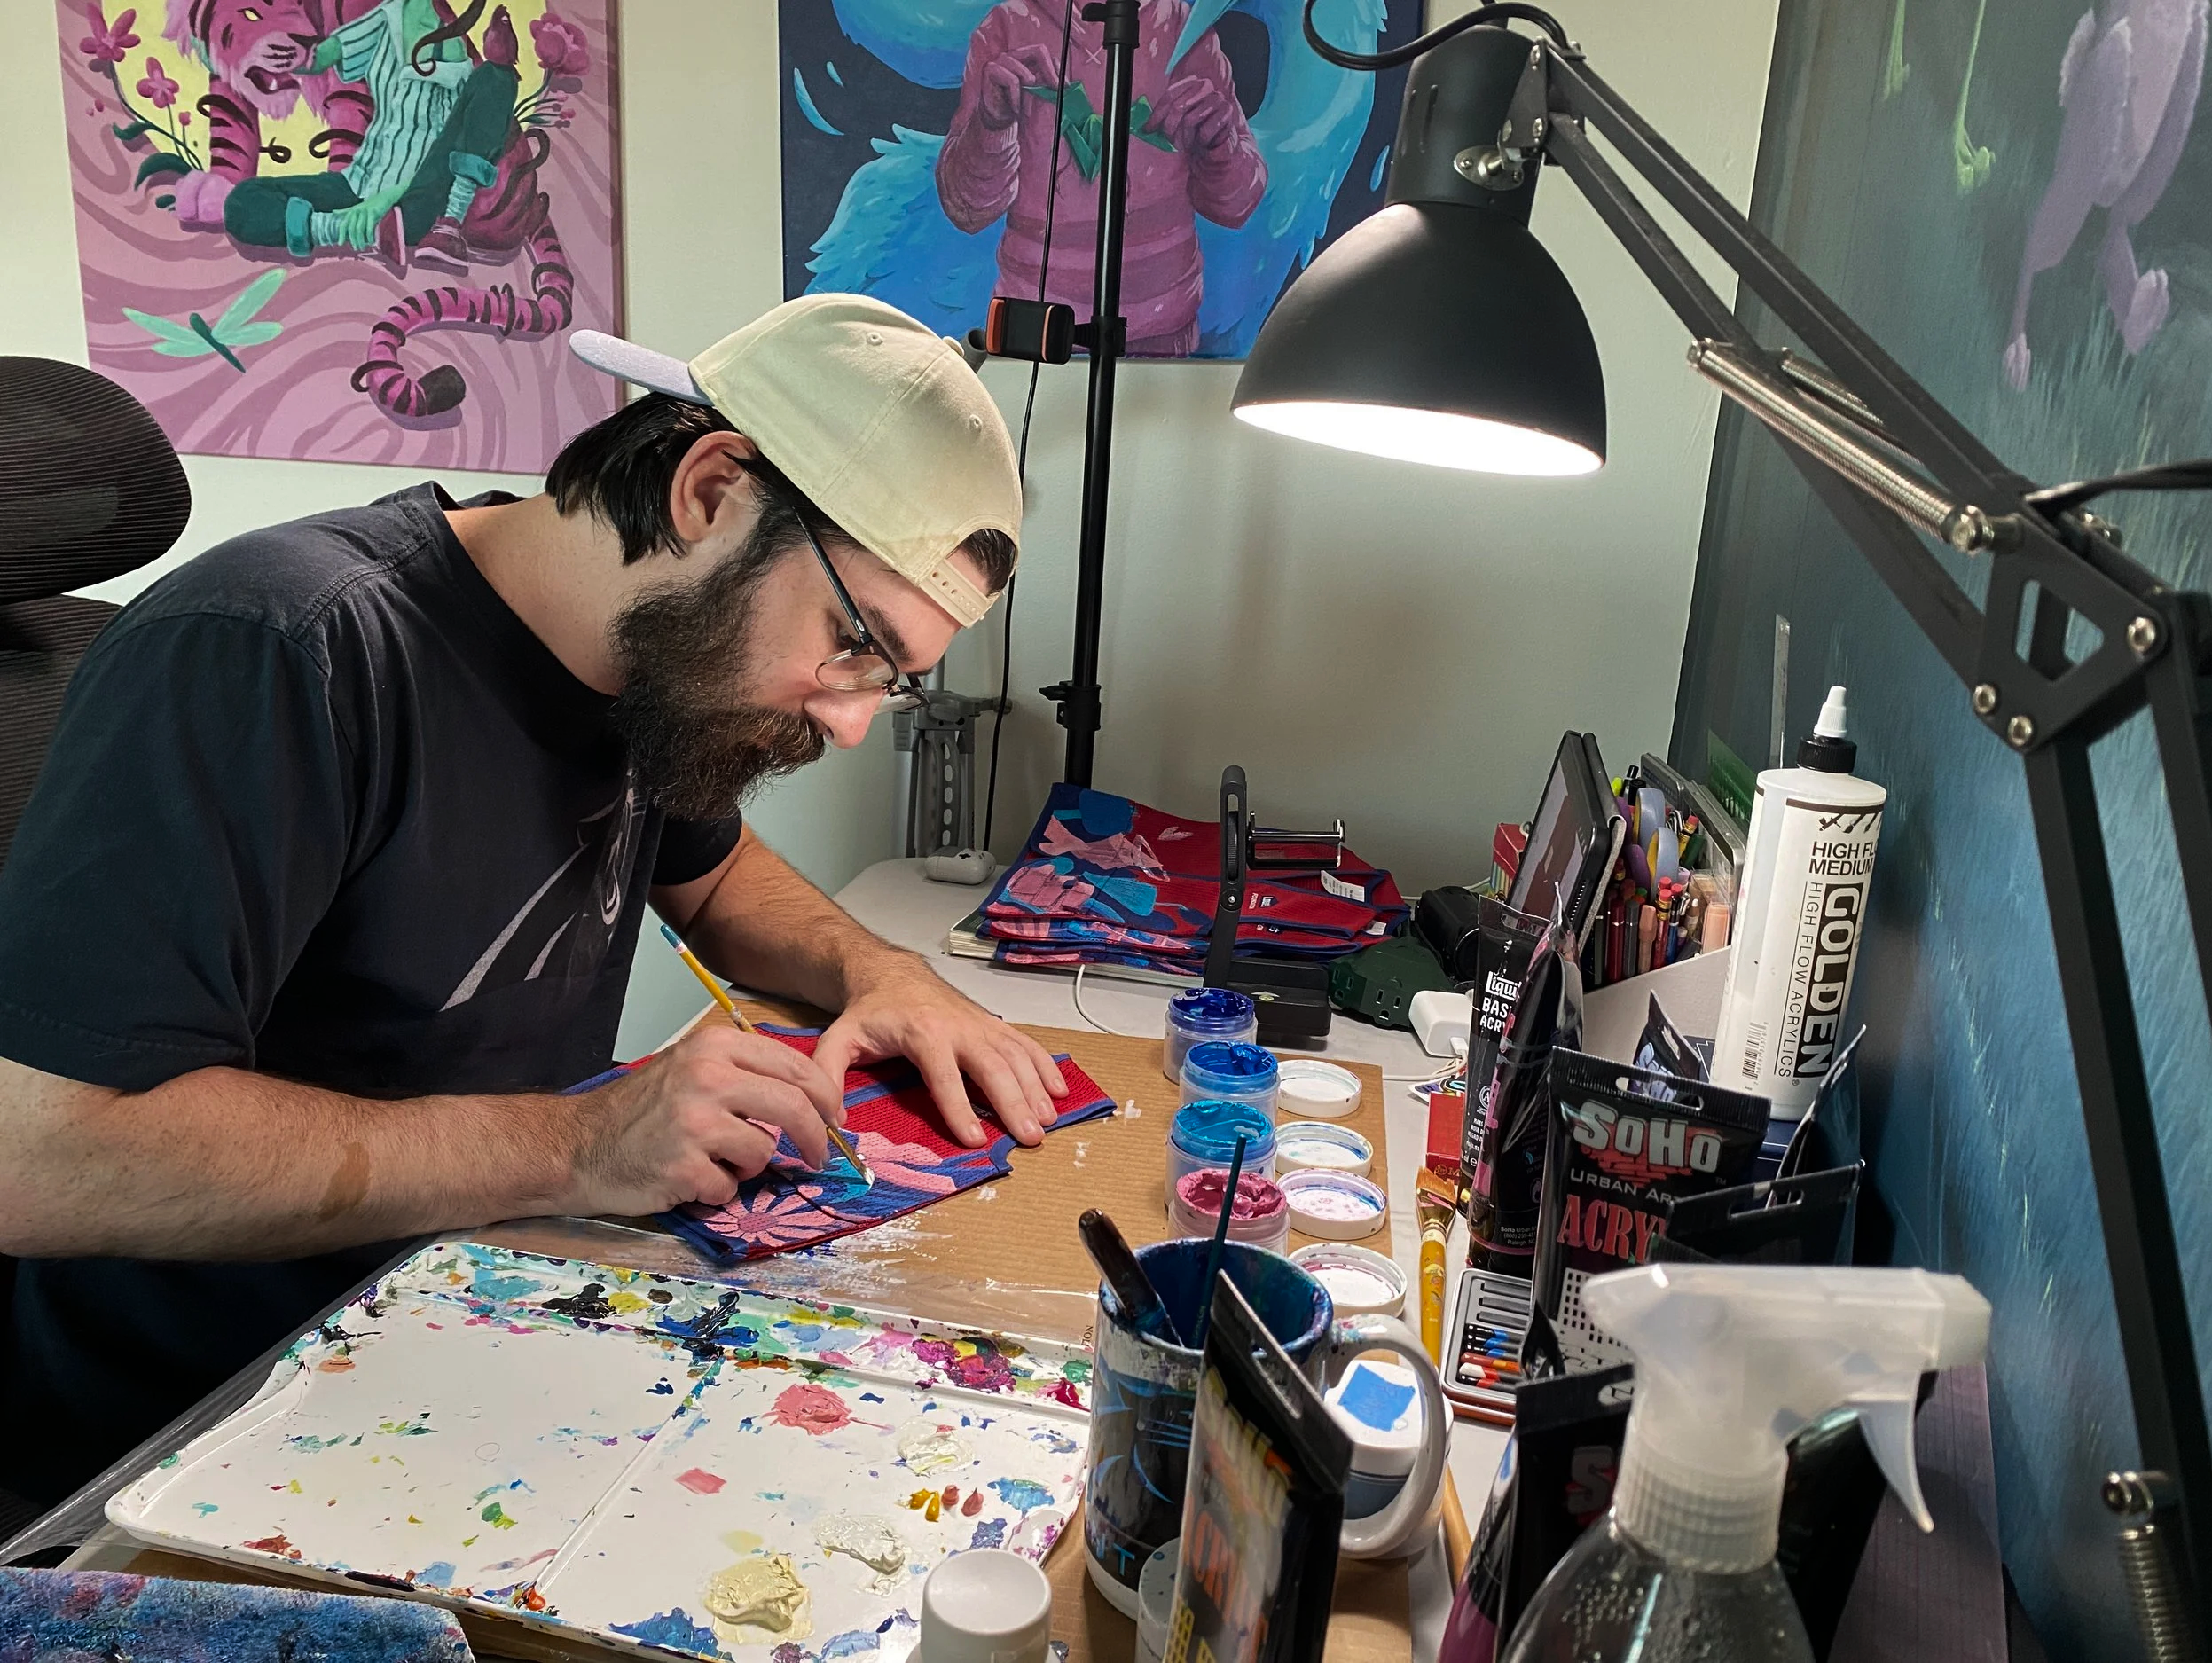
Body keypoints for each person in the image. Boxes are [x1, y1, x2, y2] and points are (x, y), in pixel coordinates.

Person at [0, 294, 1067, 1506]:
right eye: (853, 640)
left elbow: (715, 874)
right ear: (711, 489)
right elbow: (41, 1154)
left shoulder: (647, 658)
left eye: (893, 677)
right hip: (207, 1432)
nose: (853, 716)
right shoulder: (282, 647)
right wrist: (578, 1146)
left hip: (483, 1315)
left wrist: (883, 974)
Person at [935, 0, 1267, 357]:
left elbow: (1239, 206)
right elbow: (967, 209)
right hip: (1036, 334)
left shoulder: (1185, 29)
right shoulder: (1007, 26)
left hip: (1166, 332)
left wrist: (1220, 143)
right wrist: (991, 123)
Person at [222, 0, 512, 265]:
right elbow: (320, 57)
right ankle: (344, 230)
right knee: (243, 200)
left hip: (412, 196)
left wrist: (384, 201)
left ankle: (434, 231)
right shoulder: (389, 16)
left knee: (495, 78)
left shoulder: (450, 46)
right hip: (357, 183)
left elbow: (441, 154)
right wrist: (284, 50)